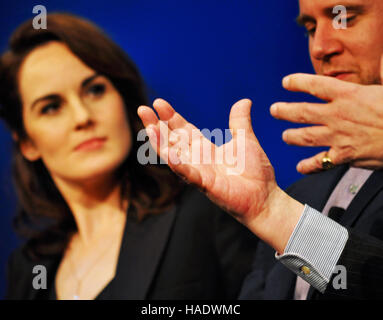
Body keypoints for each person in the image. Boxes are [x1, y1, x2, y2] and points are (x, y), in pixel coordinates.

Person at [0, 13, 258, 300]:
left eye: (95, 90)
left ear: (124, 99)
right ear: (26, 143)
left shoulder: (204, 212)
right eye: (51, 107)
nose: (82, 117)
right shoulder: (28, 269)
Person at [137, 0, 383, 299]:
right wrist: (272, 211)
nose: (320, 47)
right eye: (311, 28)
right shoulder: (299, 198)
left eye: (346, 18)